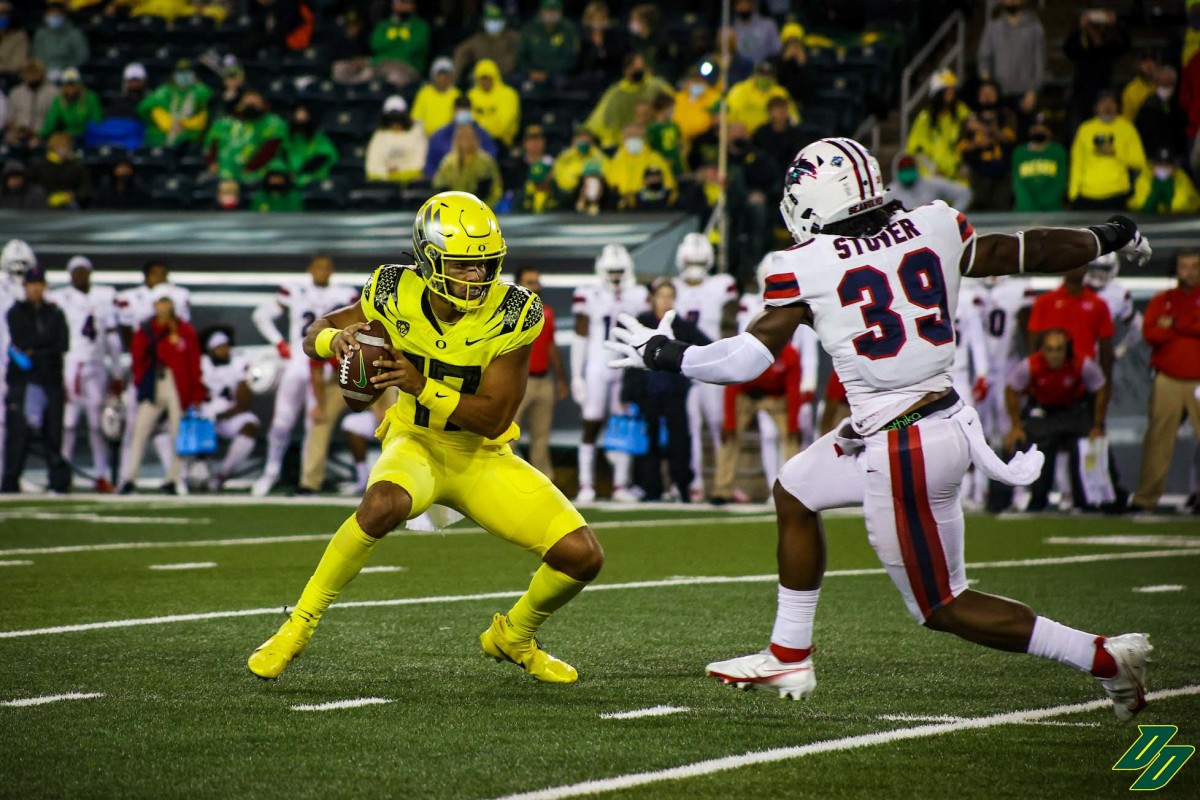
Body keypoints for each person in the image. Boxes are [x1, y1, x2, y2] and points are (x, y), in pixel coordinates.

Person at [605, 135, 1155, 720]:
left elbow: (748, 358)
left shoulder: (807, 263)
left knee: (943, 605)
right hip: (920, 422)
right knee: (795, 489)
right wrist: (1108, 235)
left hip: (904, 441)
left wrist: (666, 354)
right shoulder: (935, 225)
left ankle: (1101, 657)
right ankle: (788, 651)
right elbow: (1024, 250)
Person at [246, 190, 604, 685]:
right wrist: (337, 341)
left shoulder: (515, 312)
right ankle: (297, 626)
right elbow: (319, 330)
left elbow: (495, 418)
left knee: (582, 556)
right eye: (462, 265)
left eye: (484, 265)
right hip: (415, 441)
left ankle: (514, 635)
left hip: (480, 455)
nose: (476, 277)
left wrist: (419, 384)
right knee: (381, 504)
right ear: (429, 260)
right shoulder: (393, 290)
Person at [251, 253, 357, 497]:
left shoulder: (344, 294)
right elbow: (261, 315)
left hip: (327, 362)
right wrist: (279, 342)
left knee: (315, 423)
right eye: (318, 266)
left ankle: (306, 481)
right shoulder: (294, 290)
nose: (323, 271)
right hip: (298, 361)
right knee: (282, 422)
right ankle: (271, 471)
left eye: (327, 267)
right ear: (310, 269)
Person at [571, 244, 648, 502]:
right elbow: (580, 335)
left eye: (619, 271)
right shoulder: (589, 293)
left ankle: (620, 485)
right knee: (591, 422)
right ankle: (586, 484)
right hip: (597, 364)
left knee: (624, 423)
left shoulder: (637, 294)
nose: (615, 276)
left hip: (626, 365)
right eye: (611, 271)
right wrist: (576, 375)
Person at [622, 279, 710, 502]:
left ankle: (682, 484)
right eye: (661, 295)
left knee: (678, 441)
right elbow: (629, 357)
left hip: (673, 392)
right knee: (648, 442)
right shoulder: (642, 322)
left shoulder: (680, 325)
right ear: (652, 298)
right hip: (648, 392)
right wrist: (628, 392)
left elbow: (704, 345)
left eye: (670, 295)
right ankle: (649, 487)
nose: (665, 300)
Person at [1003, 329, 1108, 512]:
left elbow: (1100, 387)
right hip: (1044, 412)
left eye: (1059, 349)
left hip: (1073, 411)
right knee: (1032, 443)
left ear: (1066, 350)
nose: (1055, 355)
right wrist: (1016, 426)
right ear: (1042, 350)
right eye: (1050, 350)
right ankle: (1034, 501)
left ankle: (1087, 502)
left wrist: (1097, 425)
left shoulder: (1081, 364)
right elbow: (1011, 389)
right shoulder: (1031, 365)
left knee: (1088, 442)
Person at [1131, 249, 1200, 513]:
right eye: (1184, 266)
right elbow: (1151, 333)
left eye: (1194, 266)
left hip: (1198, 381)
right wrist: (1188, 325)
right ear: (1176, 269)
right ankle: (1146, 498)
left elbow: (1170, 329)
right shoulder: (1163, 299)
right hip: (1168, 378)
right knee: (1158, 440)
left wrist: (1175, 324)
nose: (1189, 272)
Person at [670, 233, 738, 502]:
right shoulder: (672, 288)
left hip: (710, 363)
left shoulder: (722, 286)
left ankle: (724, 480)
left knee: (718, 423)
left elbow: (732, 320)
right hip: (682, 365)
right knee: (692, 426)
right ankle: (695, 481)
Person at [118, 288, 203, 495]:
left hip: (177, 383)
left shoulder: (184, 329)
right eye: (160, 303)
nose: (164, 308)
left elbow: (193, 361)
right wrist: (140, 380)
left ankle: (173, 478)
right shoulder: (147, 329)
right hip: (154, 381)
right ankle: (130, 477)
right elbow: (138, 356)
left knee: (177, 431)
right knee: (139, 430)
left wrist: (196, 393)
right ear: (155, 306)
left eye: (167, 303)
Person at [51, 255, 121, 493]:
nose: (79, 276)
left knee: (96, 424)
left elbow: (112, 337)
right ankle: (62, 474)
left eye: (83, 271)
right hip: (73, 364)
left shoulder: (104, 296)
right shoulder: (60, 298)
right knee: (68, 423)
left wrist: (118, 371)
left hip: (97, 365)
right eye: (75, 272)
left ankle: (101, 474)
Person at [2, 264, 70, 494]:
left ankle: (58, 482)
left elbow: (62, 343)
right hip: (24, 380)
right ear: (25, 286)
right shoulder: (16, 312)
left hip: (50, 379)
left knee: (53, 431)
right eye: (32, 285)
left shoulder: (55, 312)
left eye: (39, 285)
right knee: (19, 432)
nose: (35, 289)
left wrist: (36, 350)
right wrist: (44, 348)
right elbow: (22, 340)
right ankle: (11, 480)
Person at [511, 267, 569, 478]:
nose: (535, 287)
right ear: (519, 285)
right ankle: (510, 481)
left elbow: (550, 347)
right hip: (517, 381)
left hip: (543, 380)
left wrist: (561, 379)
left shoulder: (547, 312)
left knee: (542, 437)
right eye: (529, 282)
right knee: (506, 437)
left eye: (536, 282)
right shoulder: (507, 313)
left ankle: (544, 484)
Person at [1028, 266, 1115, 385]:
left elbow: (1106, 349)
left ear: (1086, 267)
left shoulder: (1099, 305)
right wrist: (1034, 378)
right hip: (1049, 377)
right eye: (1072, 263)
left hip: (1084, 377)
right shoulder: (1043, 302)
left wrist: (1106, 383)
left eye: (1081, 263)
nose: (1076, 267)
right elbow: (1033, 344)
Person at [199, 329, 259, 492]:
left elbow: (244, 402)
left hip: (227, 414)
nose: (225, 350)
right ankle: (190, 474)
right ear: (211, 350)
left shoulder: (237, 363)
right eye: (220, 347)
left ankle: (222, 475)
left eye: (226, 346)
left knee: (249, 425)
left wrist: (225, 414)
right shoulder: (200, 363)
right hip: (201, 417)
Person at [1069, 90, 1146, 210]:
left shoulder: (1127, 128)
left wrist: (1116, 152)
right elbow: (1077, 163)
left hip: (1117, 195)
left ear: (1117, 106)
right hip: (1087, 195)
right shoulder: (1085, 129)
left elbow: (1140, 162)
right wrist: (1073, 195)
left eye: (1111, 102)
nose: (1107, 106)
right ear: (1096, 107)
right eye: (1103, 102)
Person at [584, 53, 674, 149]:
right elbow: (600, 119)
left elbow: (673, 106)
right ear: (626, 70)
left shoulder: (656, 86)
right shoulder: (616, 92)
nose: (638, 70)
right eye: (634, 68)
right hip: (619, 143)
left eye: (641, 67)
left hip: (653, 140)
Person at [1063, 8, 1130, 130]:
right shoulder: (1082, 44)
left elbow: (1126, 45)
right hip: (1081, 95)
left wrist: (1116, 24)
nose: (1096, 27)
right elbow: (1068, 50)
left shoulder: (1109, 45)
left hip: (1104, 95)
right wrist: (1080, 28)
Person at [204, 91, 288, 184]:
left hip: (257, 175)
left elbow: (269, 150)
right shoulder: (225, 122)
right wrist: (212, 162)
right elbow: (213, 144)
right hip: (223, 174)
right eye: (247, 99)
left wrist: (248, 169)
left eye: (255, 100)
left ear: (263, 102)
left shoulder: (273, 123)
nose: (251, 102)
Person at [977, 0, 1043, 112]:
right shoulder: (992, 28)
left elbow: (1038, 63)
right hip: (998, 95)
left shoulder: (1034, 28)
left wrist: (1032, 92)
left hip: (1024, 95)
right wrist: (987, 85)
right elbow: (984, 59)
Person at [906, 69, 971, 181]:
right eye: (947, 90)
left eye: (953, 89)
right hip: (932, 178)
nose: (951, 93)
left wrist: (964, 166)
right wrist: (932, 169)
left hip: (957, 176)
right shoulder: (925, 118)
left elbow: (969, 137)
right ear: (938, 92)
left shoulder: (961, 112)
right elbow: (916, 149)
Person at [139, 59, 212, 148]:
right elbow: (146, 109)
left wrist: (185, 124)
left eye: (187, 72)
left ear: (194, 75)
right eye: (180, 73)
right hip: (164, 134)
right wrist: (170, 125)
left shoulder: (201, 91)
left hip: (191, 137)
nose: (184, 76)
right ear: (174, 75)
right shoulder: (164, 91)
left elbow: (204, 114)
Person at [423, 96, 498, 180]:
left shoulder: (482, 134)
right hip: (446, 185)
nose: (463, 113)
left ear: (471, 112)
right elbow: (430, 166)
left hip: (476, 183)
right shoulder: (439, 136)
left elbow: (491, 159)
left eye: (466, 110)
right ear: (454, 111)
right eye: (460, 110)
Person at [603, 123, 675, 209]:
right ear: (623, 138)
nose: (633, 139)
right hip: (620, 207)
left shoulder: (656, 159)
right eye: (629, 136)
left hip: (646, 206)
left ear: (644, 138)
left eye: (637, 136)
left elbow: (669, 187)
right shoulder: (615, 160)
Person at [432, 124, 502, 206]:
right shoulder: (448, 163)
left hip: (482, 207)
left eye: (471, 137)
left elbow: (490, 190)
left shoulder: (486, 162)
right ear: (457, 140)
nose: (468, 141)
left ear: (476, 140)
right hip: (452, 207)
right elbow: (440, 187)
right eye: (464, 138)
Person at [365, 95, 427, 184]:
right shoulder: (379, 136)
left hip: (410, 184)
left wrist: (399, 173)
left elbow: (418, 164)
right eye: (391, 120)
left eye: (399, 119)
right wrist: (387, 174)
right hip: (384, 186)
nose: (395, 124)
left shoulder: (416, 133)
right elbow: (373, 167)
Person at [517, 0, 579, 88]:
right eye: (548, 10)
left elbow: (570, 58)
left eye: (554, 10)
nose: (551, 14)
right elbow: (521, 56)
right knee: (518, 82)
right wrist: (530, 71)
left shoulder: (568, 29)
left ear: (561, 12)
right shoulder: (530, 28)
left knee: (562, 84)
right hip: (532, 73)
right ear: (540, 11)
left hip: (558, 73)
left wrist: (547, 73)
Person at [1011, 116, 1067, 212]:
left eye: (1043, 128)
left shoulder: (1058, 151)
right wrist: (1028, 205)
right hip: (1025, 210)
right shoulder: (1019, 152)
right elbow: (1017, 182)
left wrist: (1045, 203)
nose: (1039, 131)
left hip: (1052, 210)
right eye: (1035, 128)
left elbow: (1061, 180)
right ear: (1030, 130)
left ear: (1049, 131)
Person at [369, 0, 430, 86]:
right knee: (360, 75)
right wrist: (399, 39)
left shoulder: (420, 26)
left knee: (393, 79)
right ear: (393, 6)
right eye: (400, 3)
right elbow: (375, 45)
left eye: (406, 3)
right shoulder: (384, 25)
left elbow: (411, 49)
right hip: (380, 64)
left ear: (413, 6)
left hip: (406, 67)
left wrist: (390, 41)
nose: (403, 6)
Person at [727, 62, 797, 137]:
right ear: (754, 75)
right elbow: (729, 114)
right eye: (761, 74)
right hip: (745, 136)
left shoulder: (780, 92)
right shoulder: (739, 90)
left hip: (772, 136)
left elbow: (793, 116)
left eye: (768, 74)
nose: (765, 77)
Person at [1134, 66, 1188, 160]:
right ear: (1156, 83)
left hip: (1177, 154)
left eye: (1169, 84)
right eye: (1163, 84)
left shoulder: (1180, 104)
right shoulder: (1148, 105)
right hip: (1152, 155)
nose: (1166, 88)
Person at [453, 5, 518, 81]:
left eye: (496, 20)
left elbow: (522, 54)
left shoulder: (512, 37)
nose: (493, 23)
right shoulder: (477, 40)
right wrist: (454, 78)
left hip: (507, 78)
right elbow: (460, 52)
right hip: (483, 80)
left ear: (504, 22)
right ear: (483, 22)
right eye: (489, 21)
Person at [28, 131, 90, 209]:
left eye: (68, 147)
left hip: (68, 202)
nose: (65, 150)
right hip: (43, 202)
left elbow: (85, 188)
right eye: (61, 147)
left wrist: (75, 195)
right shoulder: (39, 165)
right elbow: (31, 184)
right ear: (53, 148)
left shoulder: (76, 166)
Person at [1127, 148, 1200, 214]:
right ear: (1152, 166)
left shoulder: (1181, 178)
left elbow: (1179, 207)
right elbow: (1143, 206)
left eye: (1167, 165)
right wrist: (1155, 190)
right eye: (1160, 165)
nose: (1163, 168)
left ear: (1174, 167)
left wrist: (1168, 184)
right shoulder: (1145, 177)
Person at [889, 153, 972, 211]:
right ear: (896, 171)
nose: (907, 171)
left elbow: (964, 193)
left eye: (910, 167)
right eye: (904, 168)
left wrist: (952, 215)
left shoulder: (931, 185)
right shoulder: (890, 193)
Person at [468, 58, 520, 147]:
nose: (485, 81)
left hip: (502, 142)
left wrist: (482, 127)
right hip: (476, 143)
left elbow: (504, 124)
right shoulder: (471, 95)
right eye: (482, 78)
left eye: (488, 77)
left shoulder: (508, 94)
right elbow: (469, 121)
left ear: (495, 76)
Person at [5, 59, 56, 146]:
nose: (32, 76)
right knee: (9, 139)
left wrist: (40, 135)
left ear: (43, 73)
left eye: (35, 72)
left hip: (41, 134)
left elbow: (53, 120)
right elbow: (9, 118)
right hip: (19, 132)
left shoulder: (53, 93)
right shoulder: (16, 92)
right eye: (29, 72)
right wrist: (15, 130)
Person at [284, 104, 338, 188]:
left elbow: (323, 157)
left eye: (303, 114)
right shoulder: (291, 139)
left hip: (315, 180)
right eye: (297, 115)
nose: (300, 118)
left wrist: (298, 173)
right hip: (291, 181)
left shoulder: (320, 138)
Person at [40, 67, 101, 139]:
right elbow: (50, 123)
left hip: (87, 137)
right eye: (67, 84)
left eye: (72, 83)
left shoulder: (90, 98)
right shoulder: (59, 101)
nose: (70, 87)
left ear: (79, 84)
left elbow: (97, 121)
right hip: (68, 137)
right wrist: (39, 135)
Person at [32, 1, 88, 74]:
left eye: (57, 14)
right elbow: (36, 55)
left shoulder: (74, 33)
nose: (53, 16)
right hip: (45, 72)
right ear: (46, 15)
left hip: (69, 71)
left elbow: (82, 55)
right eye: (51, 13)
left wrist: (68, 68)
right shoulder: (40, 34)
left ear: (64, 15)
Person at [412, 57, 461, 136]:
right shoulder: (424, 93)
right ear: (433, 76)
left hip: (448, 137)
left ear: (451, 77)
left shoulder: (457, 94)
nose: (442, 79)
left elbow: (458, 120)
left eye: (446, 75)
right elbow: (416, 119)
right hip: (425, 136)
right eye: (439, 75)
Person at [731, 0, 780, 65]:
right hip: (740, 71)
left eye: (745, 3)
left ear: (753, 5)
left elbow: (777, 50)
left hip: (764, 70)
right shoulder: (732, 29)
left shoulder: (768, 25)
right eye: (739, 4)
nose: (742, 7)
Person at [0, 2, 30, 79]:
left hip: (10, 78)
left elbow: (17, 64)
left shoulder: (20, 37)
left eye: (3, 13)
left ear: (11, 16)